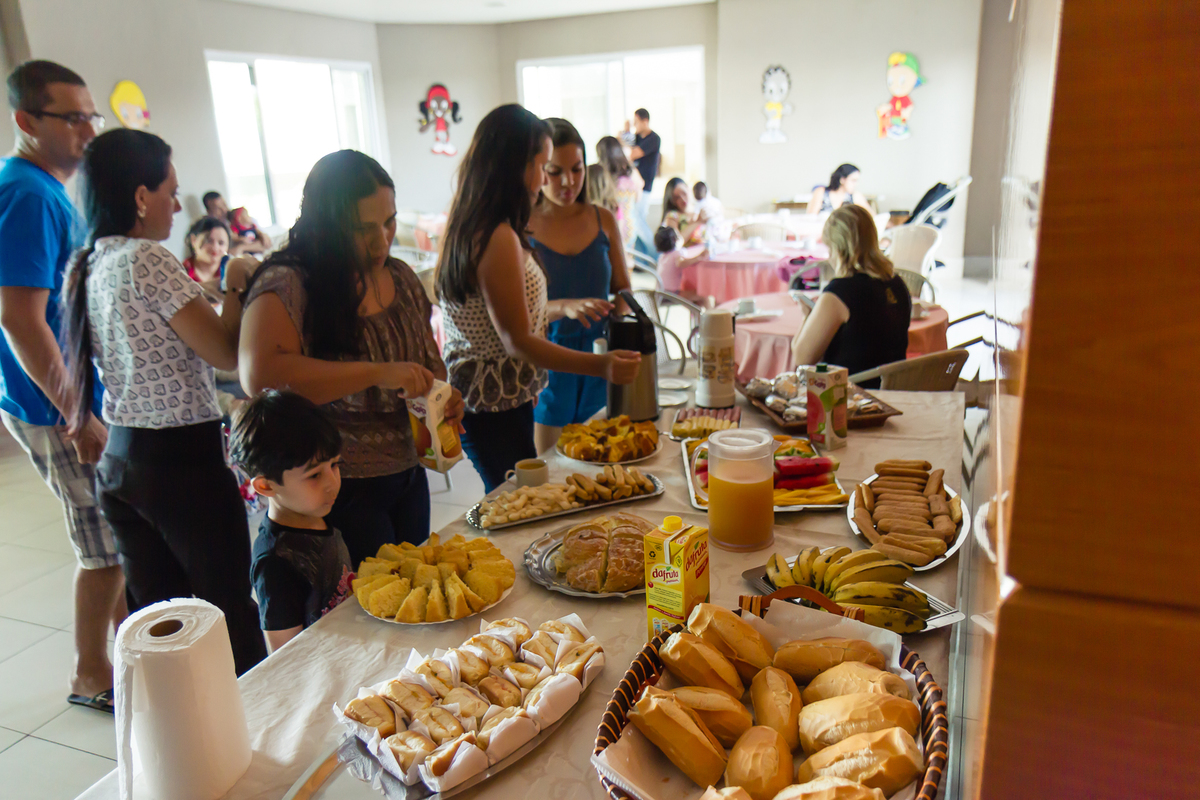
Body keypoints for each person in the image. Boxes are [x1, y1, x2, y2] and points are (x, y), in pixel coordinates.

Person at [62, 128, 267, 675]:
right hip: (180, 466)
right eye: (170, 193)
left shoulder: (89, 263)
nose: (178, 207)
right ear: (139, 196)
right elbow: (224, 351)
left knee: (160, 623)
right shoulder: (147, 259)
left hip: (123, 463)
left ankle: (182, 721)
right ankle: (258, 716)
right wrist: (236, 279)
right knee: (227, 611)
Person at [239, 150, 458, 564]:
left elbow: (428, 363)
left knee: (416, 584)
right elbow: (261, 376)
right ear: (326, 226)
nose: (382, 240)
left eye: (389, 222)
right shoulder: (289, 283)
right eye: (363, 229)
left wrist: (442, 396)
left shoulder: (401, 277)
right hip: (337, 485)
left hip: (408, 472)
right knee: (368, 598)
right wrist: (376, 373)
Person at [0, 60, 125, 713]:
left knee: (114, 535)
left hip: (69, 394)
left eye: (89, 115)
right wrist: (77, 412)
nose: (87, 130)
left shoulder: (43, 187)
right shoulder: (28, 194)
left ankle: (132, 652)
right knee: (102, 546)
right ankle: (90, 675)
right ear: (26, 120)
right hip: (52, 404)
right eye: (72, 118)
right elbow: (20, 317)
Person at [436, 104, 641, 492]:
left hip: (499, 400)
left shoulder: (481, 224)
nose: (549, 180)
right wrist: (601, 365)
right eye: (545, 167)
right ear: (518, 166)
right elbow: (517, 339)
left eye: (574, 169)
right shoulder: (497, 235)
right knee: (522, 501)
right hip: (495, 406)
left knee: (525, 497)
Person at [529, 118, 633, 454]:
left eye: (576, 169)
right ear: (538, 170)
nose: (568, 182)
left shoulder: (603, 219)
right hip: (549, 356)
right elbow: (517, 313)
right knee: (551, 464)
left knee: (603, 457)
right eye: (555, 172)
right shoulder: (522, 227)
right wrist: (564, 307)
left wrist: (616, 319)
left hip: (600, 353)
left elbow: (624, 289)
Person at [230, 390, 351, 653]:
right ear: (266, 486)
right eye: (315, 475)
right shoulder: (275, 564)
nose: (333, 483)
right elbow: (285, 656)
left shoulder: (315, 512)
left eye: (335, 465)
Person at [790, 205, 911, 388]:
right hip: (895, 389)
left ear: (838, 249)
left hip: (851, 394)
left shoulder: (840, 292)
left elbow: (802, 358)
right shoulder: (897, 283)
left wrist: (807, 316)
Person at [595, 135, 643, 252]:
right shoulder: (631, 172)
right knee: (628, 259)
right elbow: (638, 197)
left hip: (613, 226)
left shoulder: (603, 176)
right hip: (631, 225)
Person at [627, 109, 660, 254]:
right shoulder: (636, 137)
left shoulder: (654, 139)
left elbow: (631, 154)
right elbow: (622, 145)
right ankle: (643, 258)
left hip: (645, 187)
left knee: (638, 222)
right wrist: (626, 131)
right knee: (636, 225)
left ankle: (656, 254)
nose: (635, 125)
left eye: (636, 122)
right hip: (634, 187)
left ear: (645, 121)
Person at [203, 190, 272, 256]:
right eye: (218, 208)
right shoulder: (211, 230)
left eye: (224, 205)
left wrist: (242, 248)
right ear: (209, 212)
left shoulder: (241, 218)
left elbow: (266, 244)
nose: (224, 210)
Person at [654, 227, 710, 307]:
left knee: (696, 300)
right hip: (671, 294)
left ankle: (698, 314)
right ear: (675, 240)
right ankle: (712, 314)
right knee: (704, 296)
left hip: (659, 293)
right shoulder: (677, 253)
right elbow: (680, 263)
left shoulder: (662, 256)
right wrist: (698, 257)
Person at [182, 215, 231, 300]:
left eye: (221, 243)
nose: (215, 247)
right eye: (209, 241)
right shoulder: (181, 272)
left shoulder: (231, 273)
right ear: (193, 240)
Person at [661, 177, 704, 245]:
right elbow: (676, 242)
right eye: (677, 197)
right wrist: (697, 222)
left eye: (684, 193)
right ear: (672, 201)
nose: (683, 199)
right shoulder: (672, 216)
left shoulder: (700, 209)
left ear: (688, 189)